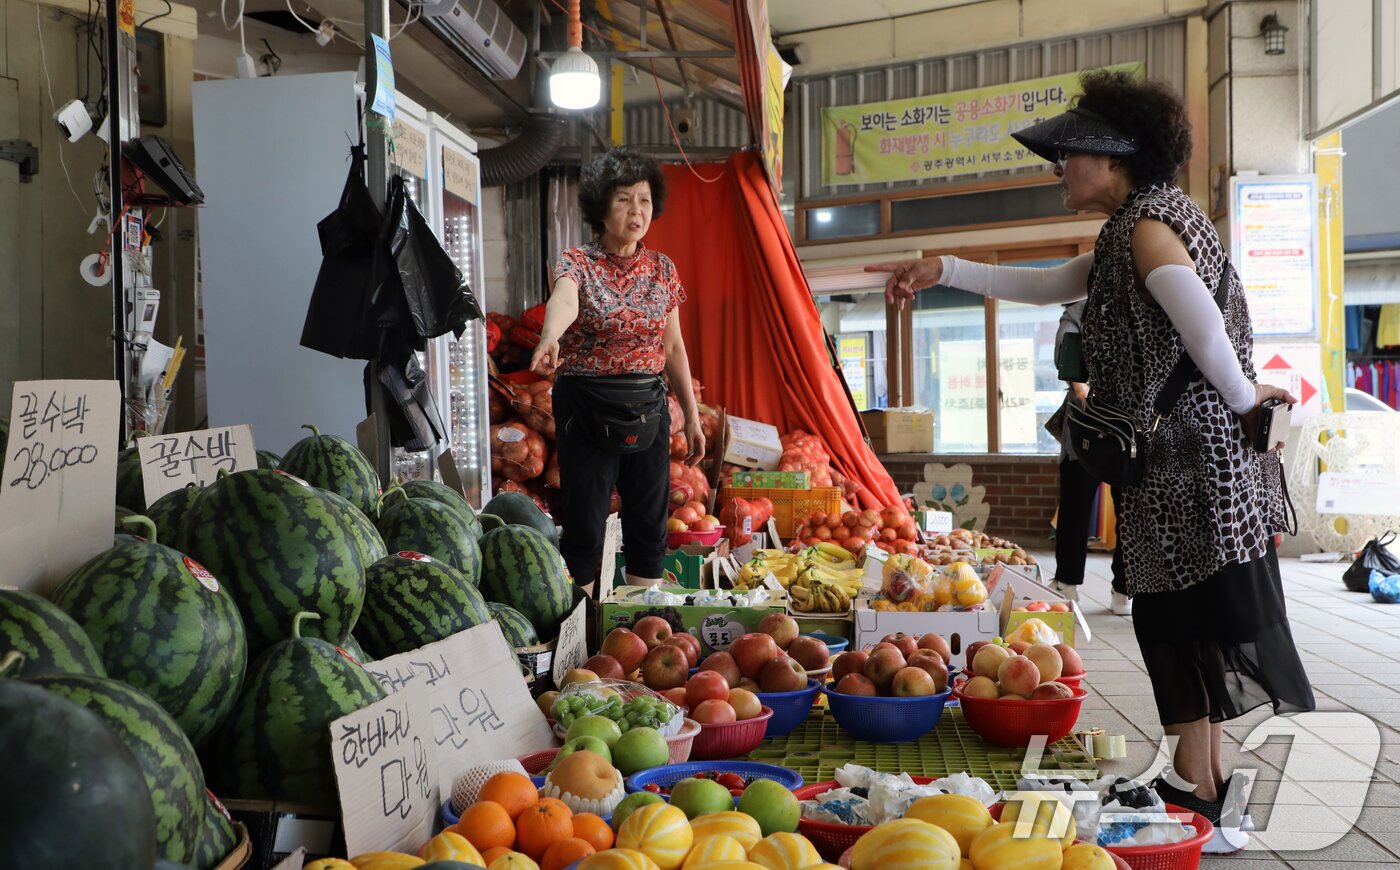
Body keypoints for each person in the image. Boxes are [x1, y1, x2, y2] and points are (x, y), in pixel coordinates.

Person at [867, 70, 1315, 849]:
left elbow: (1203, 328)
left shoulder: (1146, 228)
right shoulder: (1134, 227)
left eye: (1071, 154)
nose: (1060, 169)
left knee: (1181, 620)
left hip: (1190, 462)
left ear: (1115, 157)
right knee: (1177, 620)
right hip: (1178, 461)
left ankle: (1201, 785)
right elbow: (1044, 284)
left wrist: (1248, 402)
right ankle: (1197, 780)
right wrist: (947, 269)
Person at [531, 148, 705, 591]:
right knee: (585, 524)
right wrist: (551, 336)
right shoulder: (578, 262)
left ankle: (643, 622)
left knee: (649, 525)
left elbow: (674, 348)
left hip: (648, 406)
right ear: (600, 206)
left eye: (644, 200)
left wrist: (693, 418)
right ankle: (581, 632)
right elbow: (565, 300)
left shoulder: (663, 269)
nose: (636, 210)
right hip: (585, 407)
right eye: (624, 199)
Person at [1048, 301, 1131, 615]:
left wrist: (1083, 388)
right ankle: (1123, 590)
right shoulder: (1136, 303)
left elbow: (1064, 357)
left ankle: (1068, 584)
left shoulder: (1079, 311)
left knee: (1075, 505)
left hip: (1086, 426)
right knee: (1129, 509)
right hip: (1127, 426)